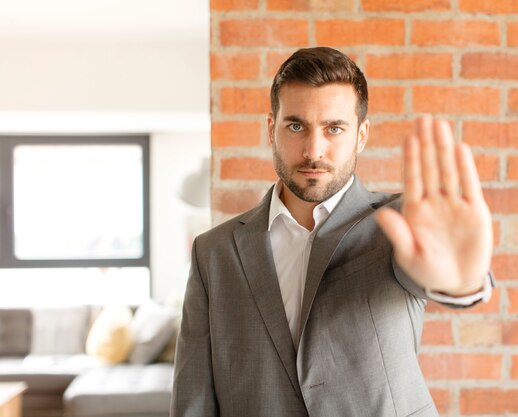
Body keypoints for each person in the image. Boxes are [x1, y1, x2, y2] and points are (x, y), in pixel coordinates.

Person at [171, 46, 494, 417]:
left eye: (334, 128)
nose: (313, 150)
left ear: (361, 135)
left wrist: (463, 283)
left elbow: (448, 277)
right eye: (296, 126)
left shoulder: (402, 224)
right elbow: (193, 396)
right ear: (270, 129)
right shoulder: (214, 251)